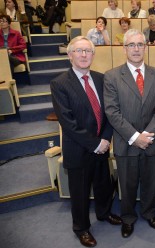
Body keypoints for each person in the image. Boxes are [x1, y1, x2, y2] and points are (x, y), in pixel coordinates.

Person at [50, 36, 122, 248]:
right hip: (79, 148)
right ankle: (81, 228)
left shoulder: (101, 78)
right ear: (70, 55)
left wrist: (106, 139)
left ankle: (104, 213)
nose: (83, 55)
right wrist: (94, 143)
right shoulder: (60, 83)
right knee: (80, 192)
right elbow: (67, 121)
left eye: (88, 51)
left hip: (102, 145)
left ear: (93, 55)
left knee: (103, 185)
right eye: (79, 51)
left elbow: (109, 112)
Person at [104, 29, 155, 238]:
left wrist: (146, 135)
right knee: (128, 184)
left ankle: (150, 213)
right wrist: (134, 137)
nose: (136, 49)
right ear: (124, 49)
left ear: (146, 47)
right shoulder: (112, 76)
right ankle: (128, 218)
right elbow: (112, 112)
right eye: (131, 45)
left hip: (152, 141)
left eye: (140, 44)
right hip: (125, 142)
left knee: (151, 182)